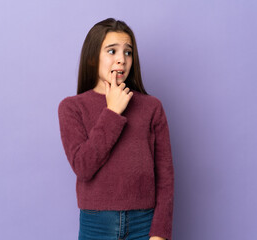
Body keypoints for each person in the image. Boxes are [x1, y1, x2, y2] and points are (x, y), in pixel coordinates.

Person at [58, 18, 174, 240]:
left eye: (128, 53)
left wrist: (160, 232)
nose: (122, 59)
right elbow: (83, 167)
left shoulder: (152, 107)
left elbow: (166, 177)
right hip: (96, 225)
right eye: (112, 51)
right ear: (93, 58)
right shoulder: (72, 108)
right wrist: (112, 112)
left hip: (144, 224)